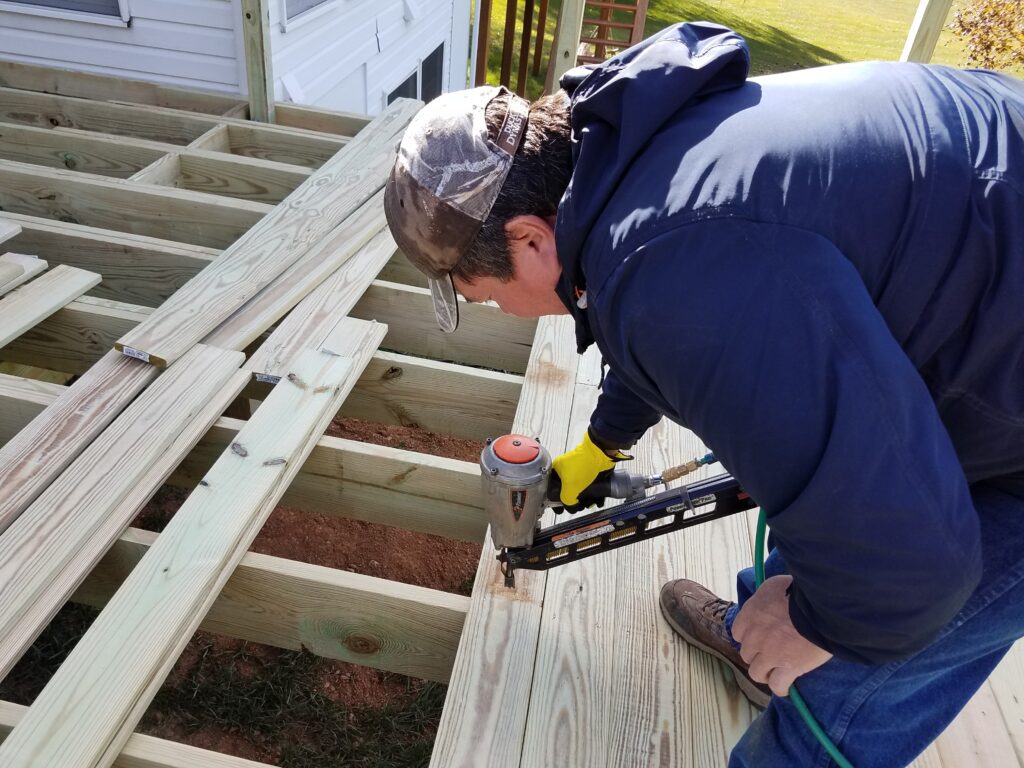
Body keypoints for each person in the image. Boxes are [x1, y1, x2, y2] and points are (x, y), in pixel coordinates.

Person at [383, 21, 1024, 767]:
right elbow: (658, 296)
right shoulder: (624, 154)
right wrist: (603, 443)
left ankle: (789, 654)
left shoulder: (679, 266)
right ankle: (760, 637)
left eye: (486, 295)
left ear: (529, 239)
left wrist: (819, 628)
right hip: (986, 284)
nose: (500, 310)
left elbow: (913, 567)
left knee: (854, 680)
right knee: (821, 485)